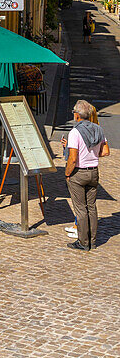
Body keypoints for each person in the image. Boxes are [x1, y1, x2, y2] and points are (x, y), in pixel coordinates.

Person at [64, 99, 110, 251]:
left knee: (80, 209)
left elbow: (72, 158)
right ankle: (93, 240)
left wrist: (67, 173)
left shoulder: (75, 132)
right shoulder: (98, 129)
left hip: (79, 172)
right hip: (94, 172)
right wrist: (92, 154)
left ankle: (83, 242)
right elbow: (105, 151)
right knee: (91, 207)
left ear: (77, 115)